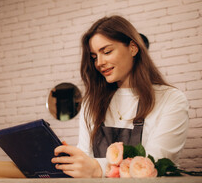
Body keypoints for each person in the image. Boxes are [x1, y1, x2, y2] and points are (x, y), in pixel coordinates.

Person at [51, 15, 189, 178]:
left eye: (107, 51)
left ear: (133, 48)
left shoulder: (171, 100)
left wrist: (97, 168)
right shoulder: (91, 103)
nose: (99, 63)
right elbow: (85, 155)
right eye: (94, 57)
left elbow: (157, 161)